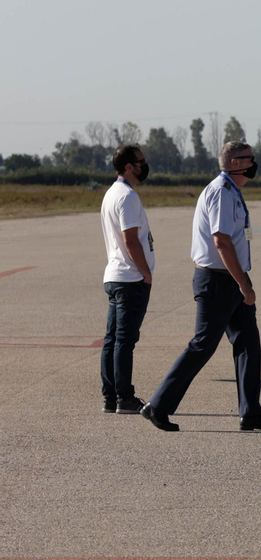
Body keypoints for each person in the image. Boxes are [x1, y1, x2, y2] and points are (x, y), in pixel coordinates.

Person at [142, 142, 261, 433]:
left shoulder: (232, 191)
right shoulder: (221, 192)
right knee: (203, 344)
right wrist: (243, 283)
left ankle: (251, 412)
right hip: (219, 280)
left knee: (247, 343)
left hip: (231, 278)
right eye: (249, 159)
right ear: (234, 163)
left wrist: (242, 280)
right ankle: (158, 405)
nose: (254, 163)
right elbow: (221, 241)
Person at [100, 143, 153, 415]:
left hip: (114, 274)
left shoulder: (111, 193)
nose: (145, 166)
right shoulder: (127, 197)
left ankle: (110, 396)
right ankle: (125, 398)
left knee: (111, 340)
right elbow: (131, 241)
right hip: (129, 278)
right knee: (124, 341)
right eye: (141, 162)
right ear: (129, 166)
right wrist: (145, 272)